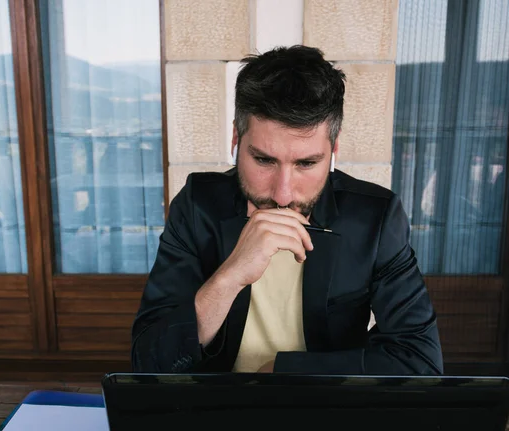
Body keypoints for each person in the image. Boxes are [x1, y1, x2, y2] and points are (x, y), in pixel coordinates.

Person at [131, 45, 443, 375]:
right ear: (236, 139)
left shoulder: (374, 218)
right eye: (264, 160)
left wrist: (282, 373)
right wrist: (229, 278)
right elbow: (149, 361)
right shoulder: (198, 204)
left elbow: (420, 362)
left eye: (306, 163)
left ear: (333, 149)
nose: (282, 195)